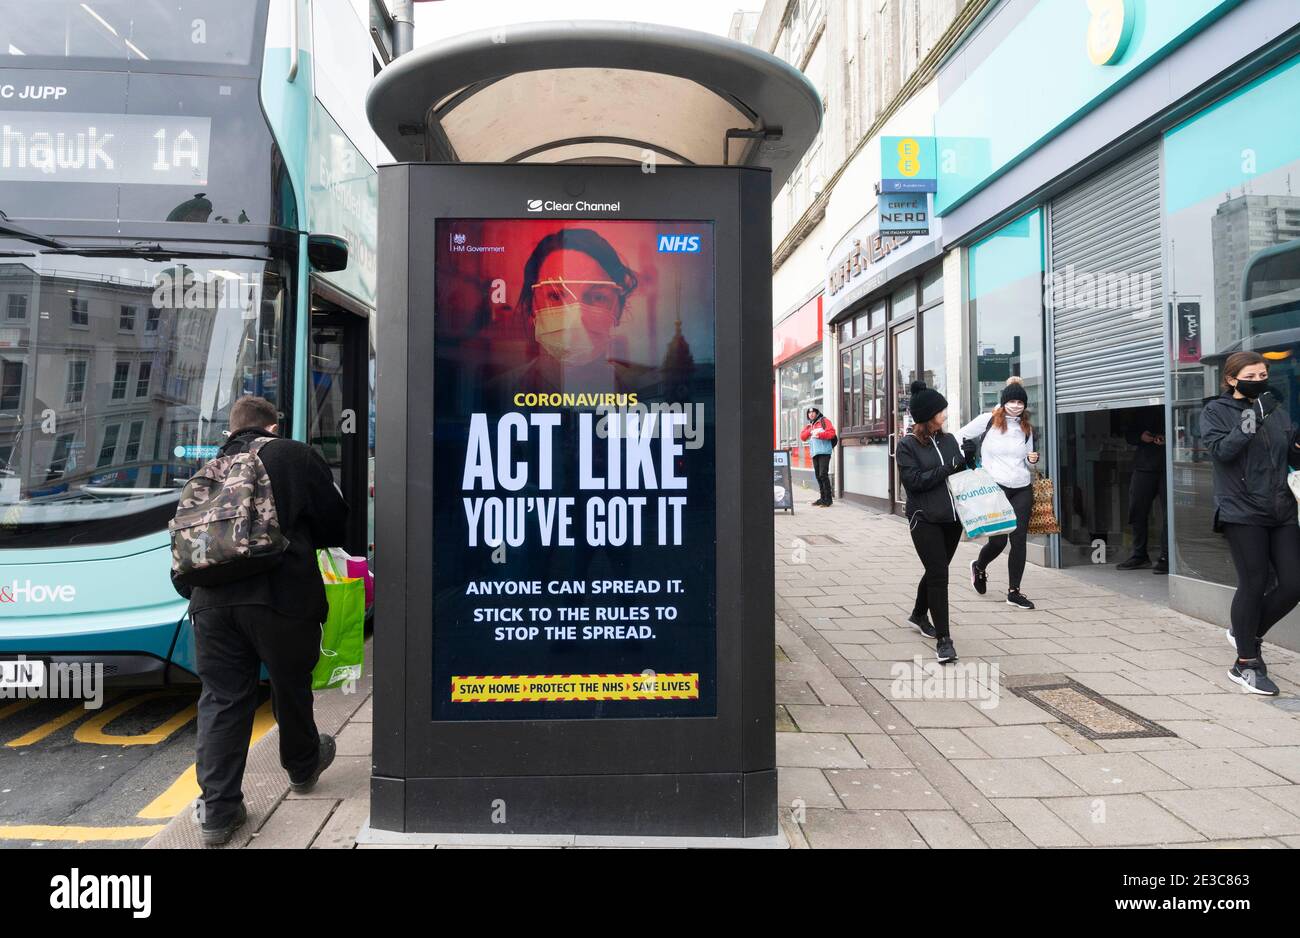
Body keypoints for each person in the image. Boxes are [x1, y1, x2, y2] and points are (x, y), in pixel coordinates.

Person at [172, 396, 350, 844]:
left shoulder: (208, 469)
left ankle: (218, 812)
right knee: (291, 685)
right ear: (272, 427)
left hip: (209, 602)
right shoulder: (292, 453)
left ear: (231, 429)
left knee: (222, 699)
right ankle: (303, 765)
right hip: (280, 594)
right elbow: (335, 525)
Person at [1200, 351, 1300, 696]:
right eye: (1252, 376)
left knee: (1293, 585)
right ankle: (1246, 663)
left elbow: (1290, 456)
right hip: (1241, 510)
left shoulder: (1278, 412)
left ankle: (1246, 631)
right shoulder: (1215, 411)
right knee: (1253, 583)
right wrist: (1254, 416)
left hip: (1281, 509)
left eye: (1262, 376)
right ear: (1232, 379)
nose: (1259, 381)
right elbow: (1223, 452)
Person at [896, 380, 976, 663]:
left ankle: (919, 614)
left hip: (952, 519)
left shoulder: (949, 439)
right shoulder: (907, 445)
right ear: (929, 415)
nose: (946, 414)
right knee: (940, 575)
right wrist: (946, 469)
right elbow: (914, 482)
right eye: (942, 410)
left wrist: (970, 458)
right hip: (925, 518)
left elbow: (959, 474)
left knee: (935, 571)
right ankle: (944, 640)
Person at [957, 376, 1040, 610]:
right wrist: (968, 453)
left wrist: (1033, 458)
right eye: (1011, 401)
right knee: (999, 540)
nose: (1015, 406)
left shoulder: (1026, 428)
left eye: (1020, 402)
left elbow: (1028, 459)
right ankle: (979, 566)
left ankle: (1014, 592)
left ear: (1025, 405)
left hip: (1022, 487)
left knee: (1019, 539)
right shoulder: (988, 421)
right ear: (1003, 402)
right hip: (996, 487)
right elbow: (958, 436)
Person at [1117, 411, 1169, 574]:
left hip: (1168, 466)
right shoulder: (1142, 408)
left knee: (1169, 514)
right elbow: (1130, 435)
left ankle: (1166, 557)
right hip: (1144, 465)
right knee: (1137, 510)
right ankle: (1139, 555)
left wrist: (1168, 438)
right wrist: (1141, 436)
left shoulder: (1170, 397)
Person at [800, 406, 837, 507]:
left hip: (824, 452)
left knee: (823, 474)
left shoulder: (824, 421)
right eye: (809, 413)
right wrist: (810, 432)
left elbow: (832, 433)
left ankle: (828, 500)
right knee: (818, 476)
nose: (811, 414)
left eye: (813, 412)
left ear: (817, 413)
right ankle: (822, 498)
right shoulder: (810, 425)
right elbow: (802, 437)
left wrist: (820, 435)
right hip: (815, 453)